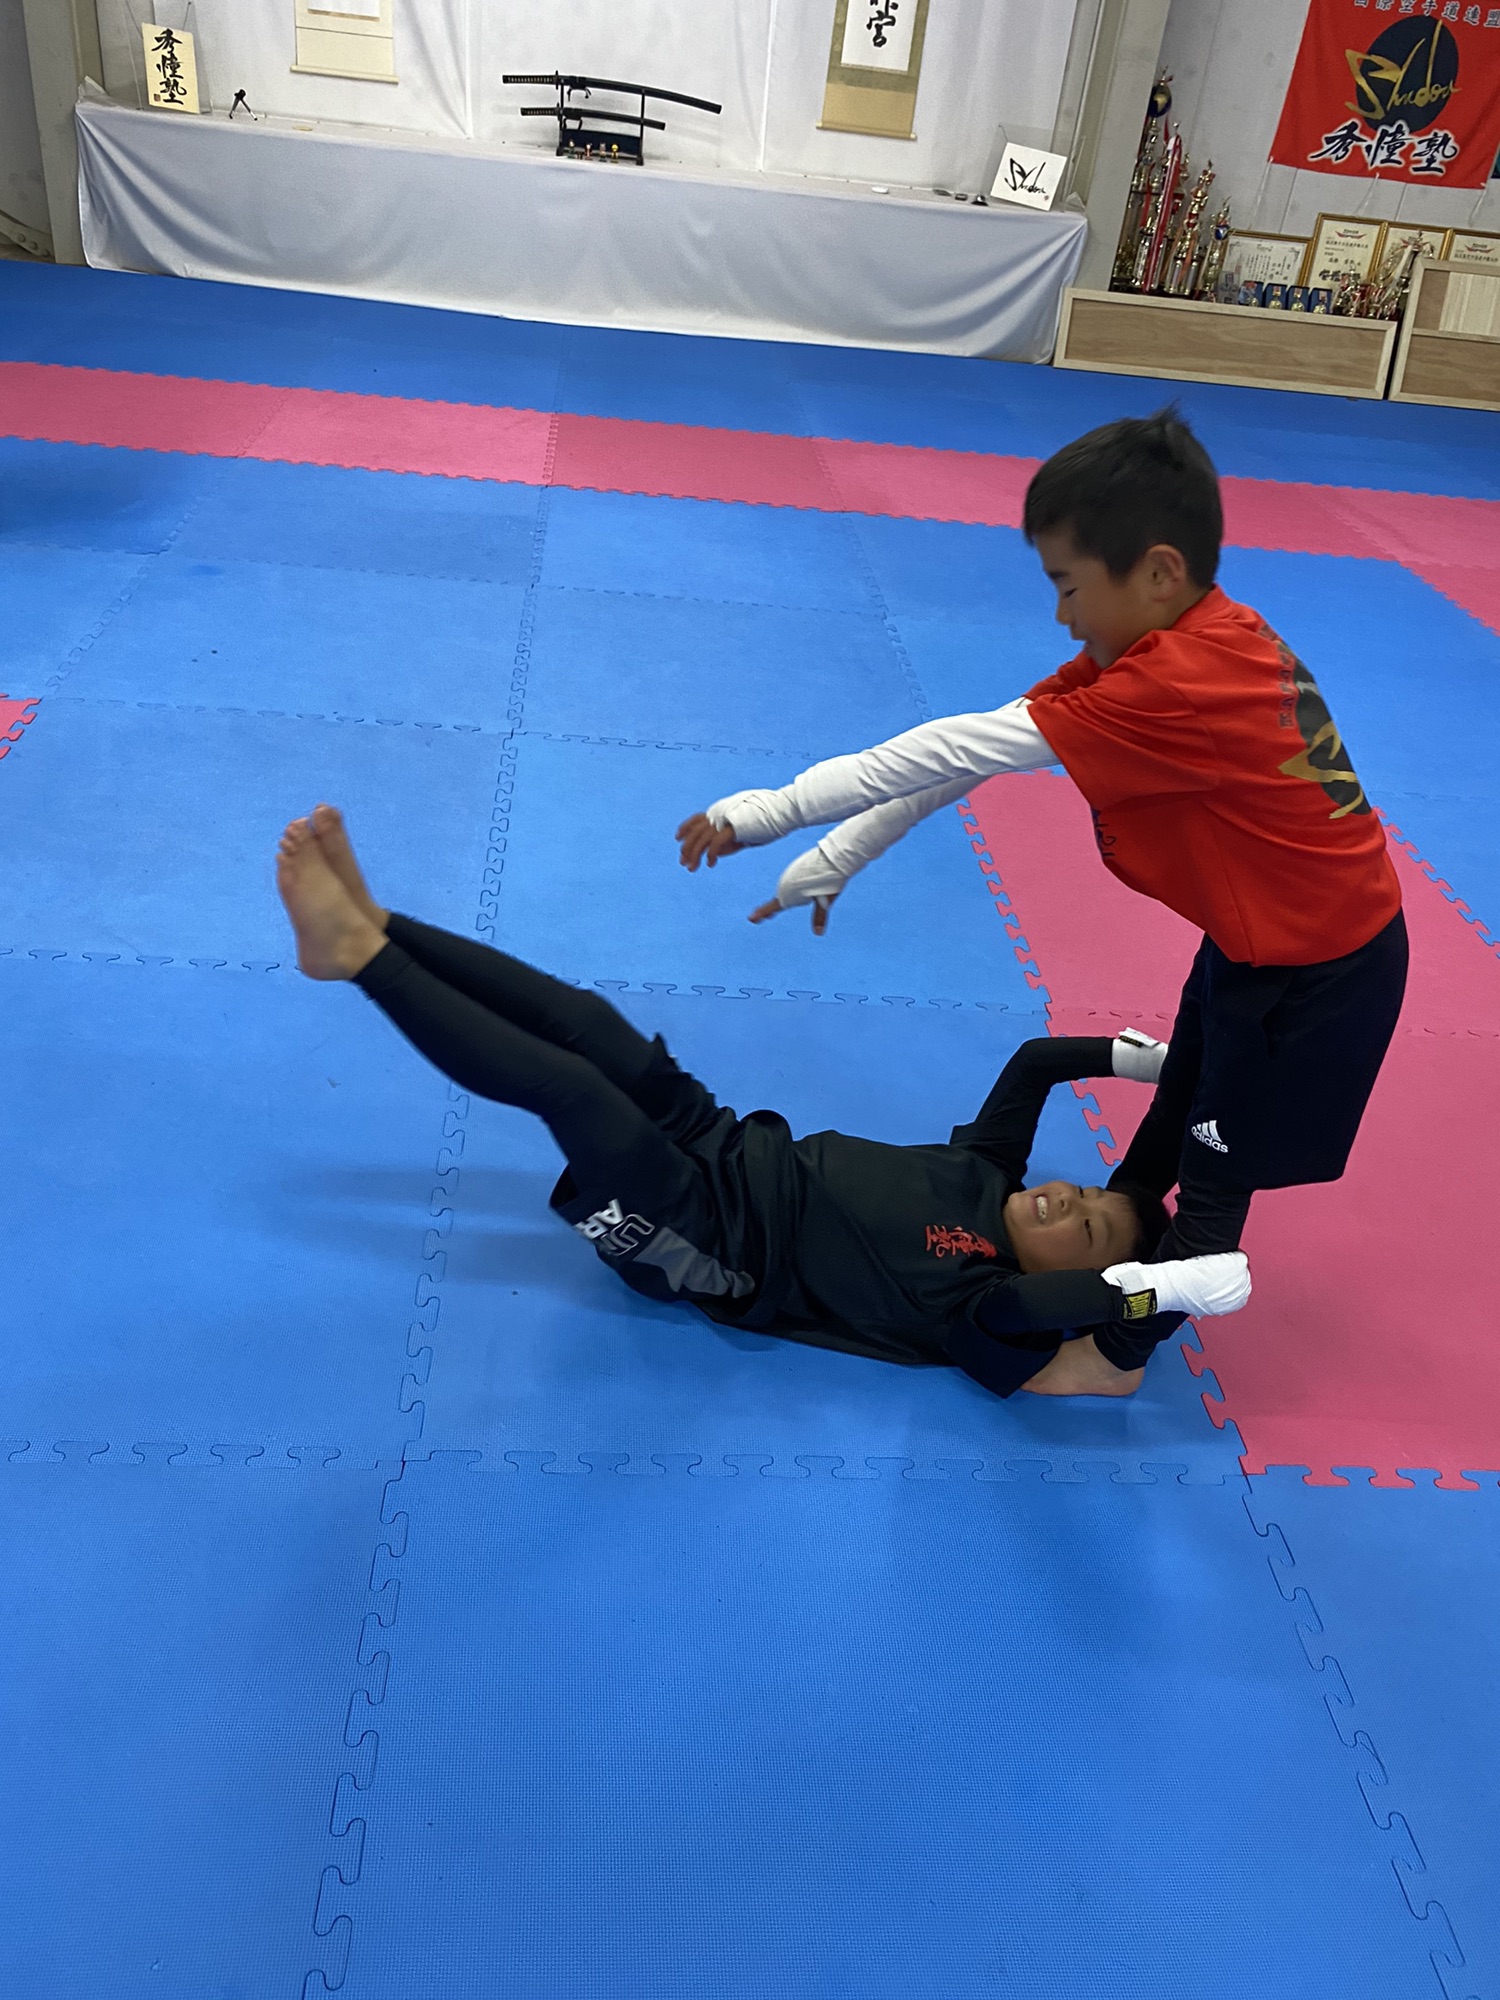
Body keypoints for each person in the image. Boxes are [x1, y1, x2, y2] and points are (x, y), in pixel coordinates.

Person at [676, 410, 1407, 1394]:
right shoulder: (1188, 638)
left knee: (1215, 1167)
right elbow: (980, 751)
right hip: (1258, 942)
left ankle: (1117, 1358)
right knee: (1178, 1106)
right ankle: (1124, 1251)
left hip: (1325, 974)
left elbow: (942, 748)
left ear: (1157, 571)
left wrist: (772, 810)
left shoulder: (1176, 683)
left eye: (1069, 586)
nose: (1063, 617)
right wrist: (842, 853)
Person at [276, 805, 1250, 1399]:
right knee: (586, 1021)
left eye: (1086, 1229)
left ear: (1080, 1281)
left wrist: (1162, 1290)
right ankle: (379, 923)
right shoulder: (986, 1173)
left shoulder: (983, 1309)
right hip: (723, 1138)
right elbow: (1035, 1062)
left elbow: (1049, 1304)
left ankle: (358, 959)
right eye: (1089, 1192)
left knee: (568, 1090)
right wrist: (1153, 1067)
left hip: (704, 1242)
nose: (1069, 1199)